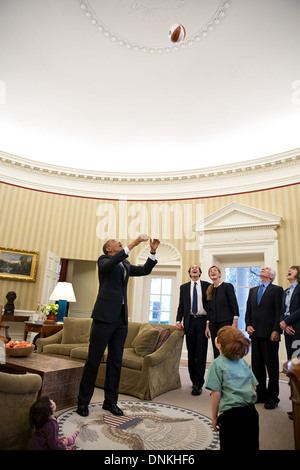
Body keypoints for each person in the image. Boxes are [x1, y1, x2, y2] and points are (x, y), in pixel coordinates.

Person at [77, 235, 160, 418]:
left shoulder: (126, 265)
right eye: (114, 241)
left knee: (116, 361)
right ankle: (83, 402)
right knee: (94, 361)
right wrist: (134, 244)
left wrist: (152, 251)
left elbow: (145, 270)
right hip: (104, 317)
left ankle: (110, 402)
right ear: (108, 249)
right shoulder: (104, 261)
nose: (118, 241)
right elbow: (110, 263)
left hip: (121, 320)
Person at [205, 326, 259, 451]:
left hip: (231, 416)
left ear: (219, 345)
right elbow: (254, 387)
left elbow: (216, 393)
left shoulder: (216, 364)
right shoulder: (244, 362)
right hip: (251, 413)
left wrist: (214, 417)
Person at [245, 267, 283, 409]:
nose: (263, 269)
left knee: (272, 367)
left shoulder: (277, 290)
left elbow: (279, 311)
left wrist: (276, 330)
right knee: (257, 366)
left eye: (266, 269)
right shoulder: (253, 290)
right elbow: (248, 310)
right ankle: (260, 394)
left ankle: (273, 397)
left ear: (271, 275)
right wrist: (247, 325)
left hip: (270, 335)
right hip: (255, 334)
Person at [176, 264, 210, 396]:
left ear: (200, 272)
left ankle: (199, 383)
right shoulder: (184, 287)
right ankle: (193, 380)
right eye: (192, 268)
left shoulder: (207, 286)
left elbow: (210, 306)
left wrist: (209, 324)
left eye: (196, 267)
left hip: (203, 321)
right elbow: (181, 306)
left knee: (201, 353)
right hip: (189, 322)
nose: (194, 269)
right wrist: (178, 321)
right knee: (191, 353)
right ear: (190, 272)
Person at [279, 265, 300, 420]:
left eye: (292, 269)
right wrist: (283, 323)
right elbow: (281, 310)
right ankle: (295, 403)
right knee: (292, 365)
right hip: (288, 331)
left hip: (297, 330)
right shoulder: (286, 290)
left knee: (298, 367)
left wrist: (286, 321)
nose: (289, 270)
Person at [205, 266, 239, 358]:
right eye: (210, 271)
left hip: (226, 322)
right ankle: (218, 370)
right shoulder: (209, 289)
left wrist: (235, 323)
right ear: (209, 275)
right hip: (213, 323)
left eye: (215, 270)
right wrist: (207, 326)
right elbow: (209, 309)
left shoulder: (227, 286)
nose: (213, 272)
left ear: (219, 274)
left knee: (226, 347)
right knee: (216, 348)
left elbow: (234, 305)